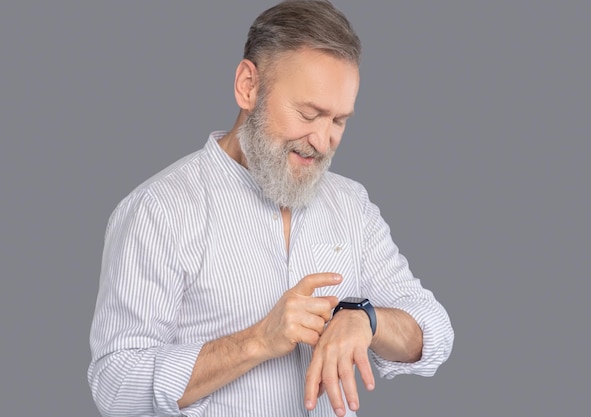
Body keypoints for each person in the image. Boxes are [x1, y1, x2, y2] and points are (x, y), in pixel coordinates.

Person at [87, 1, 454, 416]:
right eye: (308, 113)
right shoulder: (160, 211)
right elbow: (115, 386)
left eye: (338, 121)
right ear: (248, 86)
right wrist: (259, 339)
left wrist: (366, 319)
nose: (322, 140)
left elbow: (435, 332)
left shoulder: (350, 205)